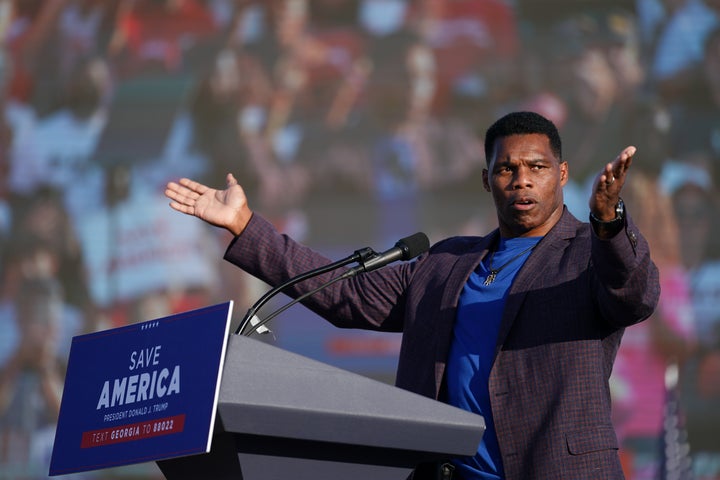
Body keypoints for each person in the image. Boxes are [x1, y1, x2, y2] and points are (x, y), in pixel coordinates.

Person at [164, 111, 660, 479]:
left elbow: (633, 296)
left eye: (537, 166)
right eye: (507, 169)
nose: (522, 179)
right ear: (487, 179)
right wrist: (246, 227)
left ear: (563, 173)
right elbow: (346, 294)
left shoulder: (587, 252)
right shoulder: (447, 262)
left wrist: (610, 222)